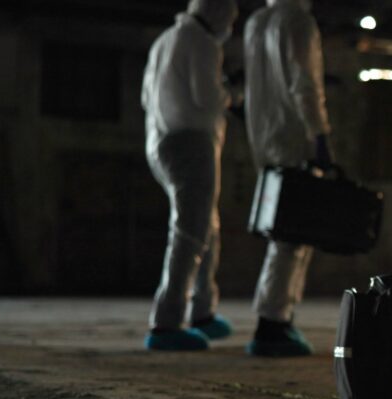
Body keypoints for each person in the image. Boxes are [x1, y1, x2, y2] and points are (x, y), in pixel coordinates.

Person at [141, 0, 239, 351]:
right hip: (191, 144)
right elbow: (208, 98)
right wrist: (231, 95)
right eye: (231, 13)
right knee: (190, 233)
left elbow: (145, 97)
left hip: (159, 141)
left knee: (204, 227)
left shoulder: (166, 39)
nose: (232, 21)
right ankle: (166, 322)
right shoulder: (202, 42)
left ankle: (203, 313)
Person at [242, 0, 333, 357]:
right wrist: (321, 134)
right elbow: (305, 83)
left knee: (282, 230)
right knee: (292, 234)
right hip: (294, 136)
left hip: (262, 137)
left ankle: (279, 317)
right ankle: (272, 323)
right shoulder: (297, 20)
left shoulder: (256, 21)